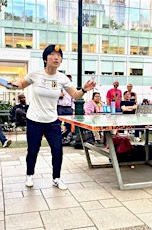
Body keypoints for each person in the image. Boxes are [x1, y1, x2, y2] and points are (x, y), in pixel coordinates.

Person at [7, 44, 95, 189]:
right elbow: (21, 84)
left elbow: (75, 94)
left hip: (52, 121)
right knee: (33, 150)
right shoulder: (35, 74)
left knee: (58, 150)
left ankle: (56, 178)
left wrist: (84, 89)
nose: (56, 58)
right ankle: (29, 175)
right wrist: (12, 84)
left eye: (59, 56)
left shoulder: (62, 78)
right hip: (34, 120)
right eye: (53, 55)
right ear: (45, 58)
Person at [57, 74, 74, 139]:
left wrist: (72, 108)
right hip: (60, 107)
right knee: (58, 122)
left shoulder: (72, 89)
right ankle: (59, 135)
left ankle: (67, 136)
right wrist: (58, 95)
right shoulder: (59, 87)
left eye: (70, 81)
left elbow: (73, 99)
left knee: (68, 124)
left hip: (68, 107)